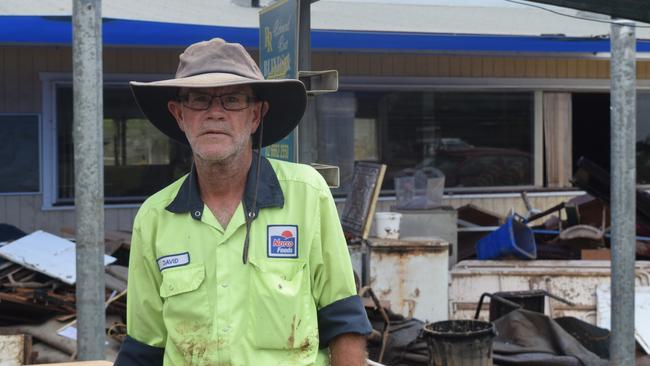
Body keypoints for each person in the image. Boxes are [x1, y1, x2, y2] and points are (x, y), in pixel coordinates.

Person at [114, 38, 372, 366]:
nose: (215, 114)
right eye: (199, 100)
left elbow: (344, 321)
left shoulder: (307, 194)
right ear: (179, 115)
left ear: (255, 115)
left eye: (232, 99)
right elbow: (144, 349)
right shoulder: (154, 217)